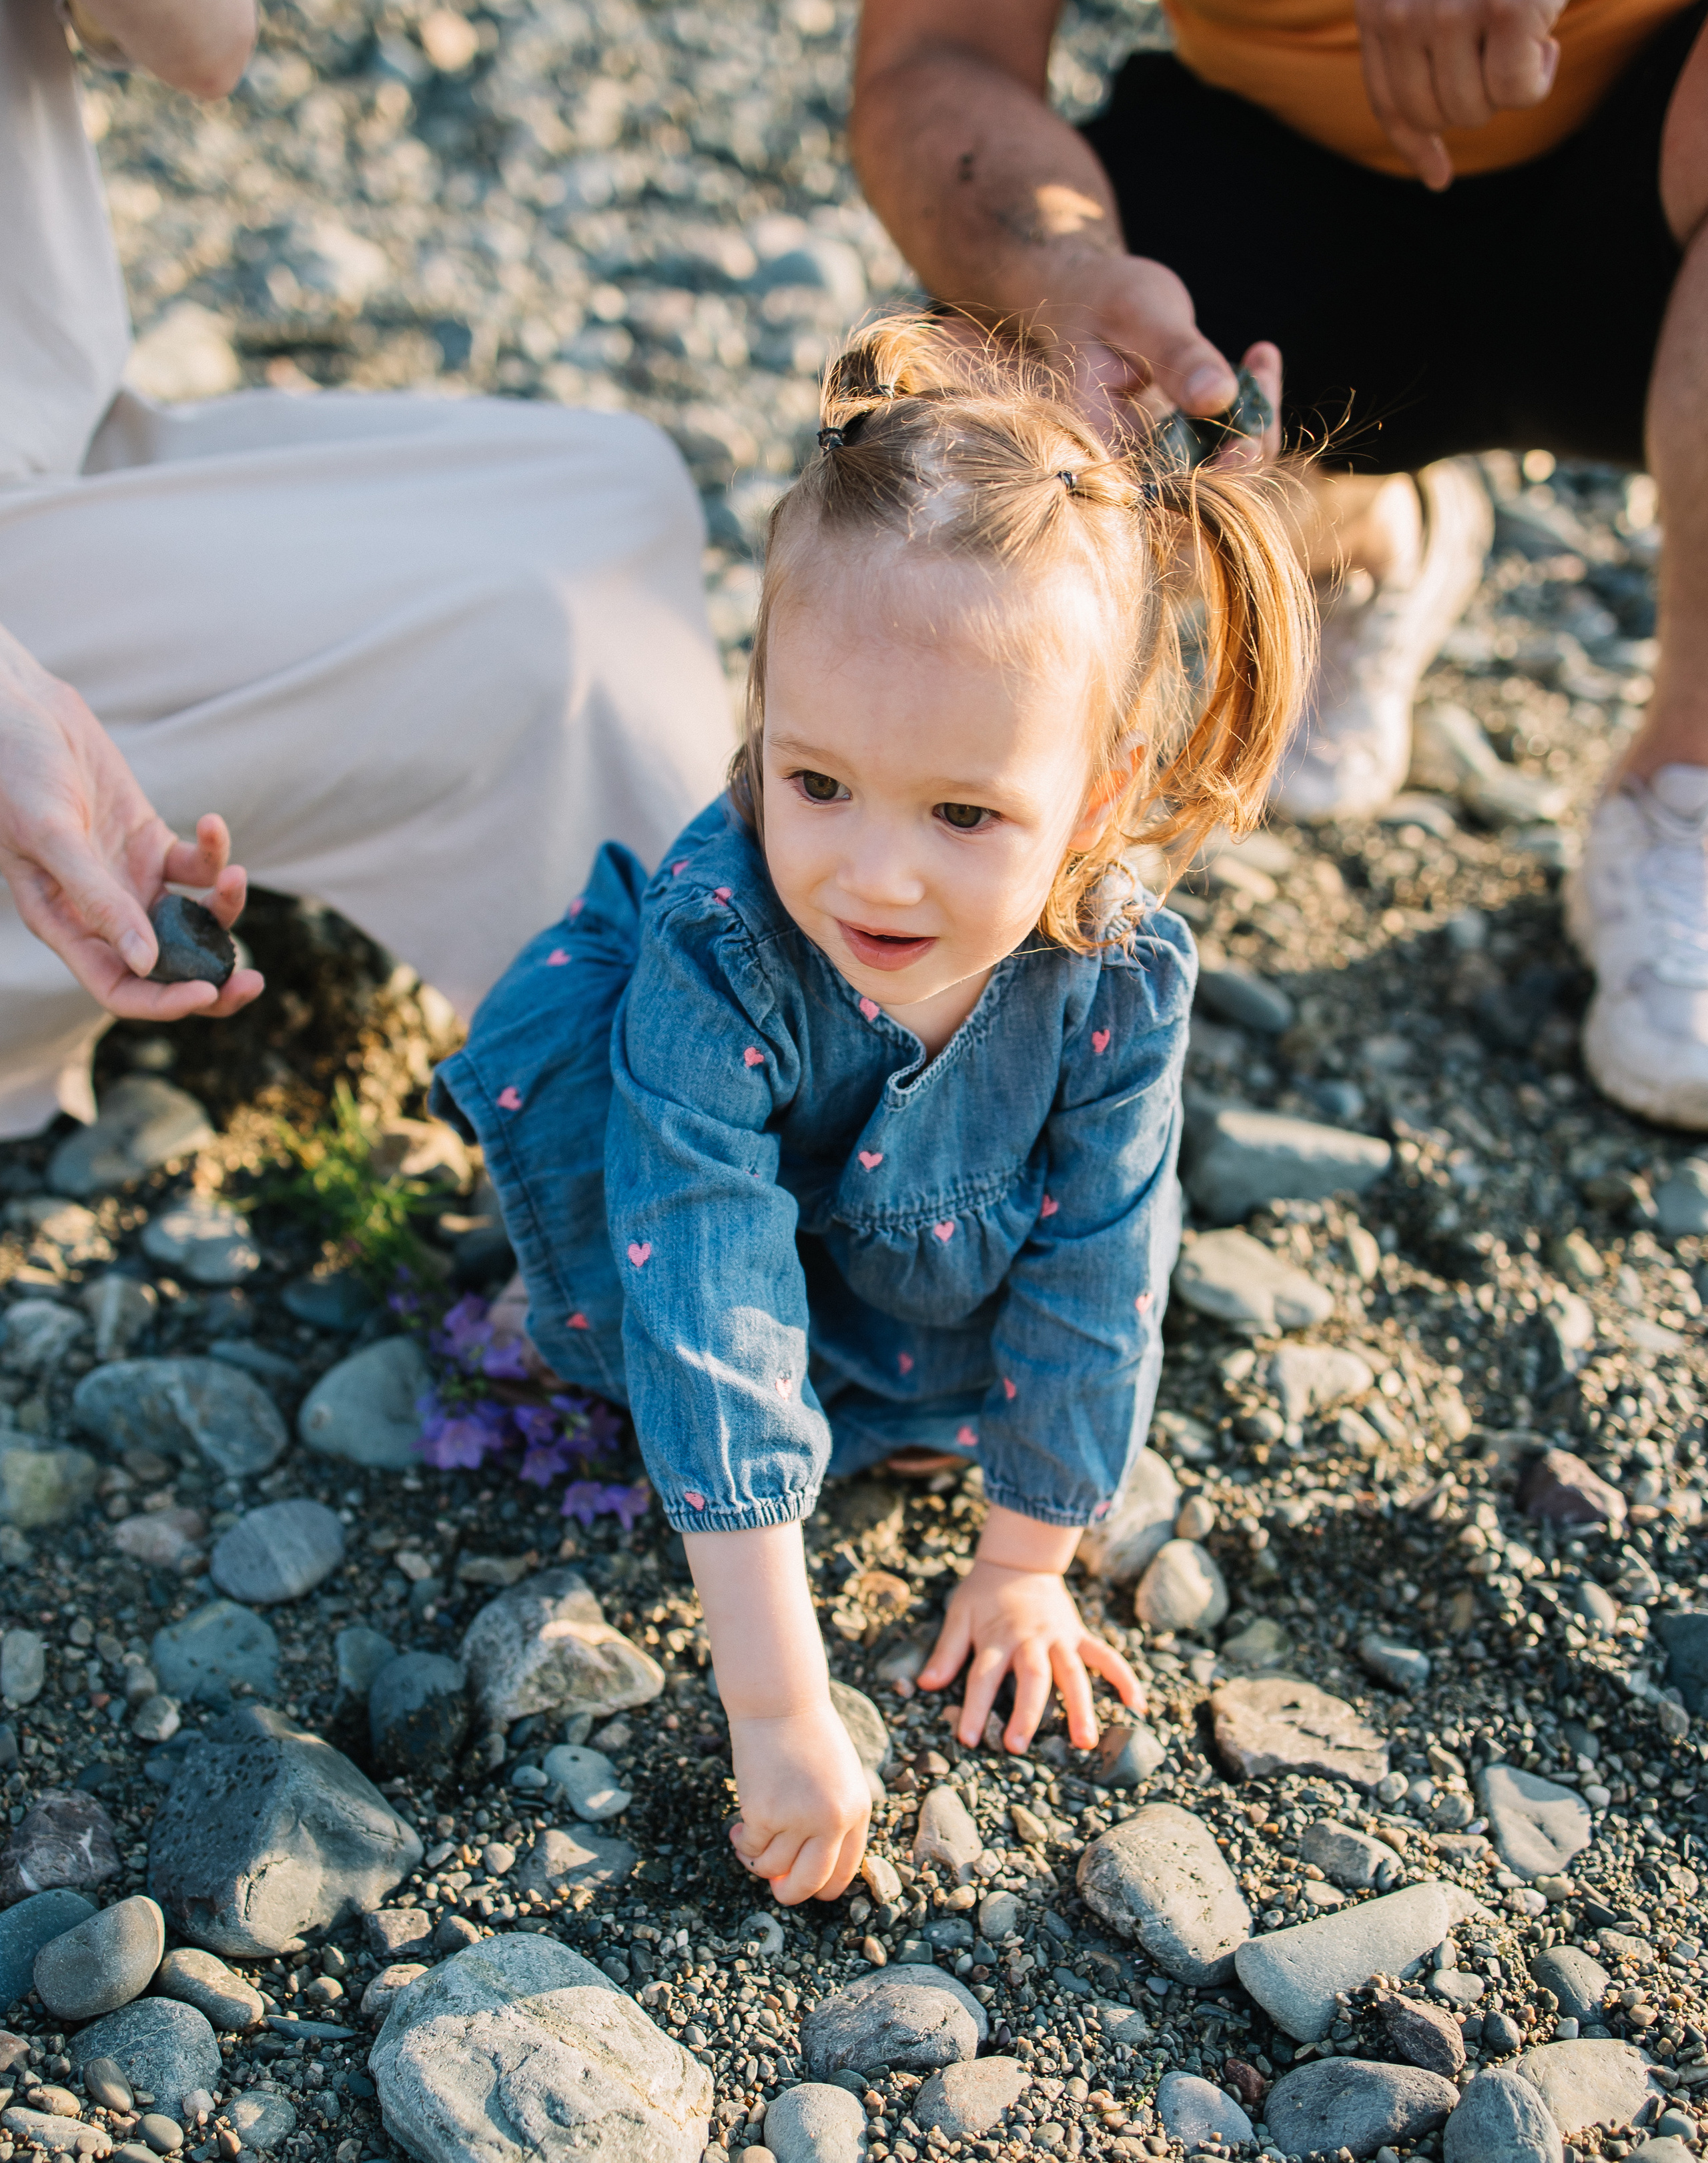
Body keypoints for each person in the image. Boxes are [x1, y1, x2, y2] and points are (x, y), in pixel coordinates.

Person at [431, 318, 1314, 1901]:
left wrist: (1025, 1558)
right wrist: (775, 1706)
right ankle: (597, 1322)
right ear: (764, 719)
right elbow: (707, 1291)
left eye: (966, 812)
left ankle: (892, 1420)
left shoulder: (1110, 977)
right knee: (644, 1274)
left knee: (1021, 1318)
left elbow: (1101, 1264)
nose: (876, 872)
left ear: (1095, 798)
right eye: (817, 782)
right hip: (711, 1246)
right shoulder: (723, 959)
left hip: (932, 1278)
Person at [850, 0, 1708, 1130]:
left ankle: (1687, 777)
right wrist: (1061, 273)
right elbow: (935, 59)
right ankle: (1366, 536)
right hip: (1279, 176)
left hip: (1655, 176)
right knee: (979, 410)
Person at [0, 0, 731, 1138]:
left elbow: (202, 44)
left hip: (53, 443)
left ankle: (754, 1066)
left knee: (617, 495)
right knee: (532, 649)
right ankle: (698, 1184)